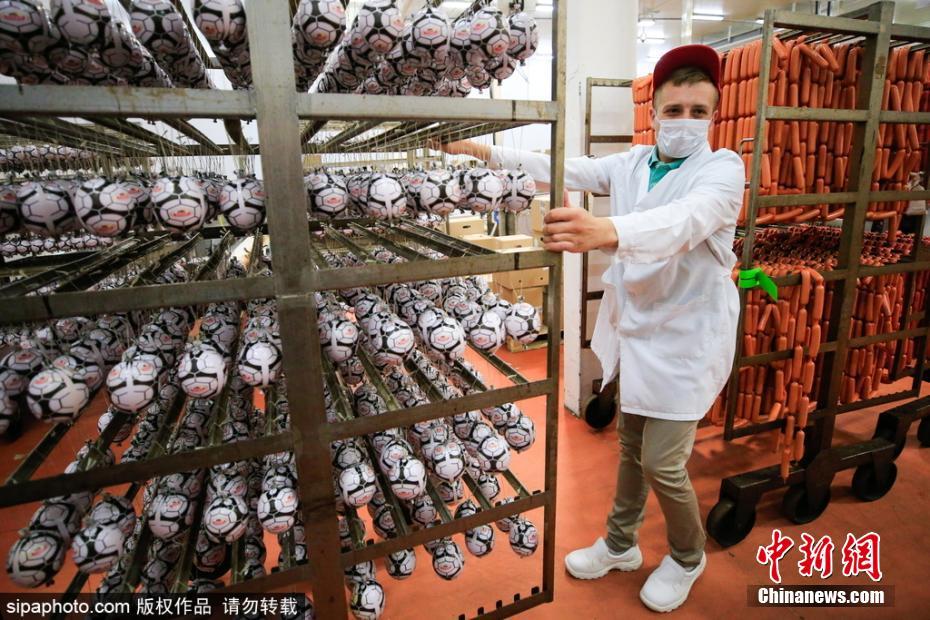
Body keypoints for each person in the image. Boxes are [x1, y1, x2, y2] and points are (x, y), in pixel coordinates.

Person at [436, 44, 744, 613]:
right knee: (630, 447)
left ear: (714, 114)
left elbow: (687, 219)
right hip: (640, 331)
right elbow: (562, 167)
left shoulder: (722, 169)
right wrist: (480, 149)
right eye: (674, 110)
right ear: (654, 112)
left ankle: (687, 556)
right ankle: (620, 545)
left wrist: (607, 231)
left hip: (688, 337)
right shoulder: (634, 163)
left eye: (698, 111)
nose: (685, 121)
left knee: (662, 462)